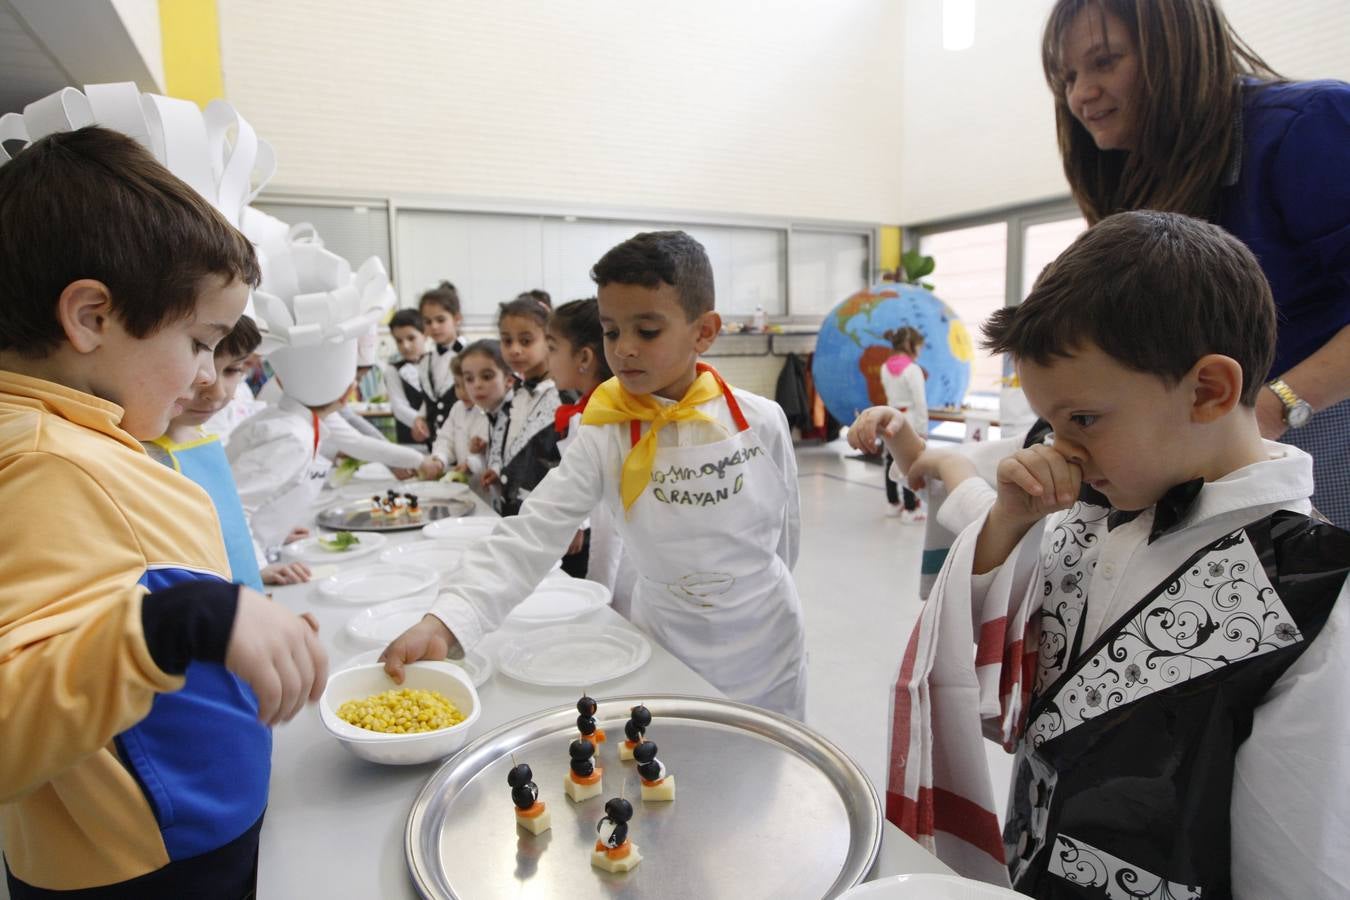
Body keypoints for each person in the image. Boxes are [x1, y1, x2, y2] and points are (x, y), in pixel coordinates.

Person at [887, 211, 1350, 898]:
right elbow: (993, 664)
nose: (1063, 447)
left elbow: (1295, 857)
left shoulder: (1317, 594)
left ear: (1208, 390)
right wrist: (1009, 523)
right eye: (1052, 422)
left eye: (1084, 420)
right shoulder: (1090, 512)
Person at [0, 126, 327, 898]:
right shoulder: (44, 463)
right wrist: (184, 621)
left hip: (182, 825)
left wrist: (233, 622)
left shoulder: (82, 437)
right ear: (89, 317)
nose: (208, 376)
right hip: (146, 868)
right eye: (199, 341)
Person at [380, 231, 807, 717]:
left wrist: (742, 588)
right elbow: (532, 532)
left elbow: (785, 535)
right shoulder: (605, 434)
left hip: (766, 644)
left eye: (646, 331)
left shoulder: (763, 420)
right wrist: (447, 620)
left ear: (704, 332)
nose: (623, 349)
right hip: (668, 641)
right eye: (610, 331)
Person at [1042, 0, 1350, 526]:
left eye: (1105, 61)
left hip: (1316, 445)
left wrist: (1279, 403)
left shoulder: (1308, 125)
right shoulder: (1135, 179)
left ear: (1175, 48)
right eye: (1067, 76)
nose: (1080, 95)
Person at [145, 315, 311, 589]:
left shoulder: (200, 436)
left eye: (233, 370)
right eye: (199, 370)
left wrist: (255, 570)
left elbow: (228, 522)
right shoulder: (148, 457)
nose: (217, 391)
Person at [548, 297, 636, 608]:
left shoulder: (592, 418)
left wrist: (575, 522)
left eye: (552, 348)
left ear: (584, 357)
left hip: (615, 545)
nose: (548, 359)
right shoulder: (600, 410)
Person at [489, 296, 564, 520]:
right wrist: (496, 469)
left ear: (548, 340)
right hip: (512, 513)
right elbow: (508, 443)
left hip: (549, 515)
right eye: (506, 340)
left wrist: (579, 521)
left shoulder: (563, 396)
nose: (514, 350)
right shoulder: (513, 393)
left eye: (526, 341)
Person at [879, 326, 928, 522]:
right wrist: (923, 429)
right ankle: (911, 508)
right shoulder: (913, 369)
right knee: (911, 463)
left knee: (891, 460)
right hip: (910, 420)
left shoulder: (885, 367)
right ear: (910, 345)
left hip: (890, 417)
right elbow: (920, 402)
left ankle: (893, 503)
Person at [418, 351, 488, 481]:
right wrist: (440, 459)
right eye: (457, 385)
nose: (461, 393)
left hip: (486, 486)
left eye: (467, 385)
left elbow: (494, 454)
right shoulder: (457, 409)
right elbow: (446, 439)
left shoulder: (492, 413)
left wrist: (471, 464)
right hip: (464, 483)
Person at [417, 281, 466, 442]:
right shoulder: (425, 361)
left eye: (440, 320)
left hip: (464, 439)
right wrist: (420, 418)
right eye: (428, 321)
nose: (434, 327)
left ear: (457, 318)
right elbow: (430, 399)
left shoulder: (470, 355)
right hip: (435, 442)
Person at [385, 308, 430, 446]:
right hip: (410, 441)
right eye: (399, 341)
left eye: (411, 338)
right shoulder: (393, 370)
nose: (405, 346)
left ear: (425, 334)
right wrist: (424, 423)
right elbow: (399, 407)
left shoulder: (438, 363)